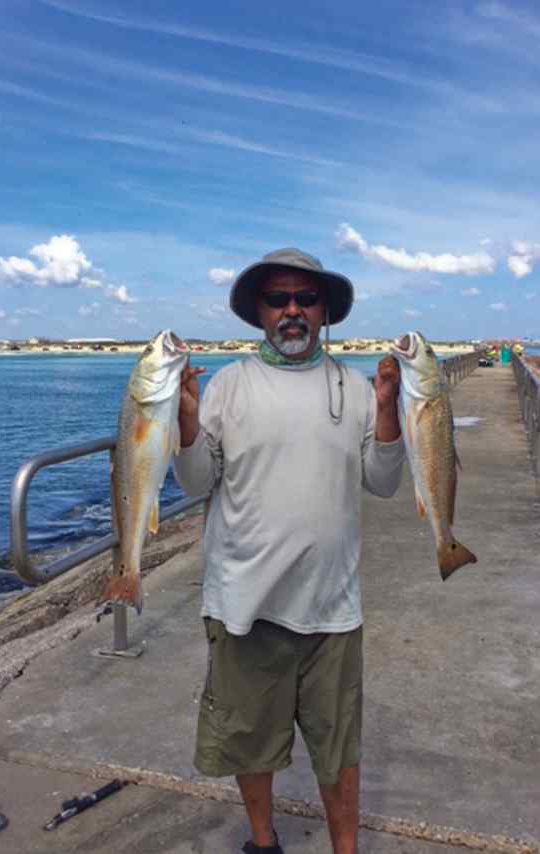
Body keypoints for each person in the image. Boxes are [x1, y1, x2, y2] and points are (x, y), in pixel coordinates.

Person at [173, 248, 404, 854]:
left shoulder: (353, 389)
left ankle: (345, 849)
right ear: (259, 311)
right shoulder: (227, 386)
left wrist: (386, 414)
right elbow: (197, 483)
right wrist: (189, 425)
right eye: (279, 299)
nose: (293, 310)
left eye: (306, 299)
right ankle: (262, 840)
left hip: (332, 606)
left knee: (339, 749)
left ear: (326, 311)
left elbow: (383, 482)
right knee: (249, 739)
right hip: (243, 603)